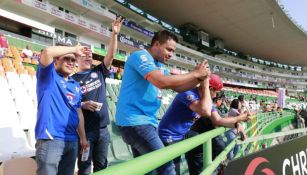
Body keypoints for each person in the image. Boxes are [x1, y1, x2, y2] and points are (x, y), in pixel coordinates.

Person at [115, 30, 210, 175]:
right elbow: (161, 82)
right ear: (157, 44)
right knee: (166, 164)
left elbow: (179, 87)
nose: (171, 54)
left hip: (146, 123)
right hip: (135, 122)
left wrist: (199, 79)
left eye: (173, 51)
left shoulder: (160, 66)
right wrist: (195, 74)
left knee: (146, 170)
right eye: (169, 49)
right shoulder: (140, 56)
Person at [158, 74, 249, 175]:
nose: (215, 96)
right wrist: (240, 118)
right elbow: (205, 111)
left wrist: (236, 124)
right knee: (173, 172)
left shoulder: (206, 101)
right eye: (216, 92)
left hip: (181, 135)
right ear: (210, 88)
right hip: (169, 135)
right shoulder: (189, 93)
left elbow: (218, 120)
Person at [72, 17, 123, 175]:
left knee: (102, 166)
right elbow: (69, 104)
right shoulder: (72, 80)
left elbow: (111, 55)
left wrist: (114, 35)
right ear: (76, 60)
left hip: (102, 130)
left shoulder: (98, 71)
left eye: (90, 55)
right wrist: (83, 105)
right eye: (84, 55)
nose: (88, 57)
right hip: (84, 132)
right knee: (85, 168)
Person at [35, 45, 90, 175]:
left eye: (73, 60)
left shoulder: (75, 85)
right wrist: (74, 49)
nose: (71, 63)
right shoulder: (48, 77)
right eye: (66, 59)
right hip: (51, 138)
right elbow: (47, 52)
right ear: (56, 61)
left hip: (72, 140)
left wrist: (83, 138)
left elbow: (78, 112)